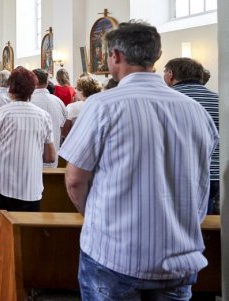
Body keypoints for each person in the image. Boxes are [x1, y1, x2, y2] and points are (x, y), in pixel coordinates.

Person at [60, 21, 218, 300]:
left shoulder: (103, 105)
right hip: (179, 252)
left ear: (115, 56)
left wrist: (94, 218)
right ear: (156, 56)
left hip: (115, 252)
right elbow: (202, 181)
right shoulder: (195, 111)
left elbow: (74, 180)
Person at [0, 67, 55, 246]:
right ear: (32, 90)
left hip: (1, 183)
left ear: (10, 88)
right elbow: (51, 156)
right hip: (30, 186)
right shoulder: (43, 116)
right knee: (25, 237)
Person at [163, 57, 220, 214]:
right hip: (216, 174)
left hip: (180, 175)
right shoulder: (219, 100)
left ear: (170, 74)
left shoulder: (164, 100)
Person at [30, 68, 66, 166]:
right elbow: (63, 129)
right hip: (53, 160)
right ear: (47, 82)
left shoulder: (28, 101)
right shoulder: (58, 101)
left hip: (31, 160)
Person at [61, 75, 101, 140]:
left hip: (77, 142)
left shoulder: (73, 107)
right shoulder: (101, 105)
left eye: (76, 88)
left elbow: (65, 132)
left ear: (82, 90)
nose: (75, 90)